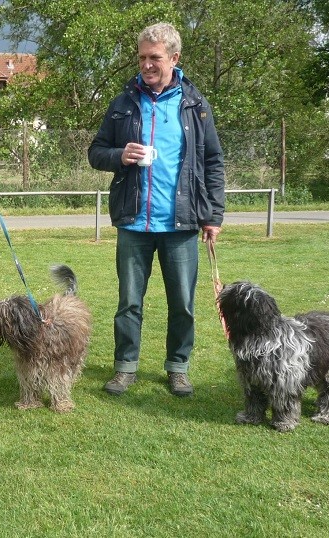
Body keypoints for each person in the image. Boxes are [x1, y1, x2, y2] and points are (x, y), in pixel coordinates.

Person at [88, 22, 225, 397]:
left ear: (174, 58)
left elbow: (212, 161)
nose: (147, 64)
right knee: (129, 302)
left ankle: (178, 367)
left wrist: (213, 214)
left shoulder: (194, 105)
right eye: (142, 57)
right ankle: (125, 368)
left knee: (182, 304)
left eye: (155, 57)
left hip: (182, 224)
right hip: (134, 222)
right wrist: (121, 155)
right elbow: (96, 153)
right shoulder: (123, 103)